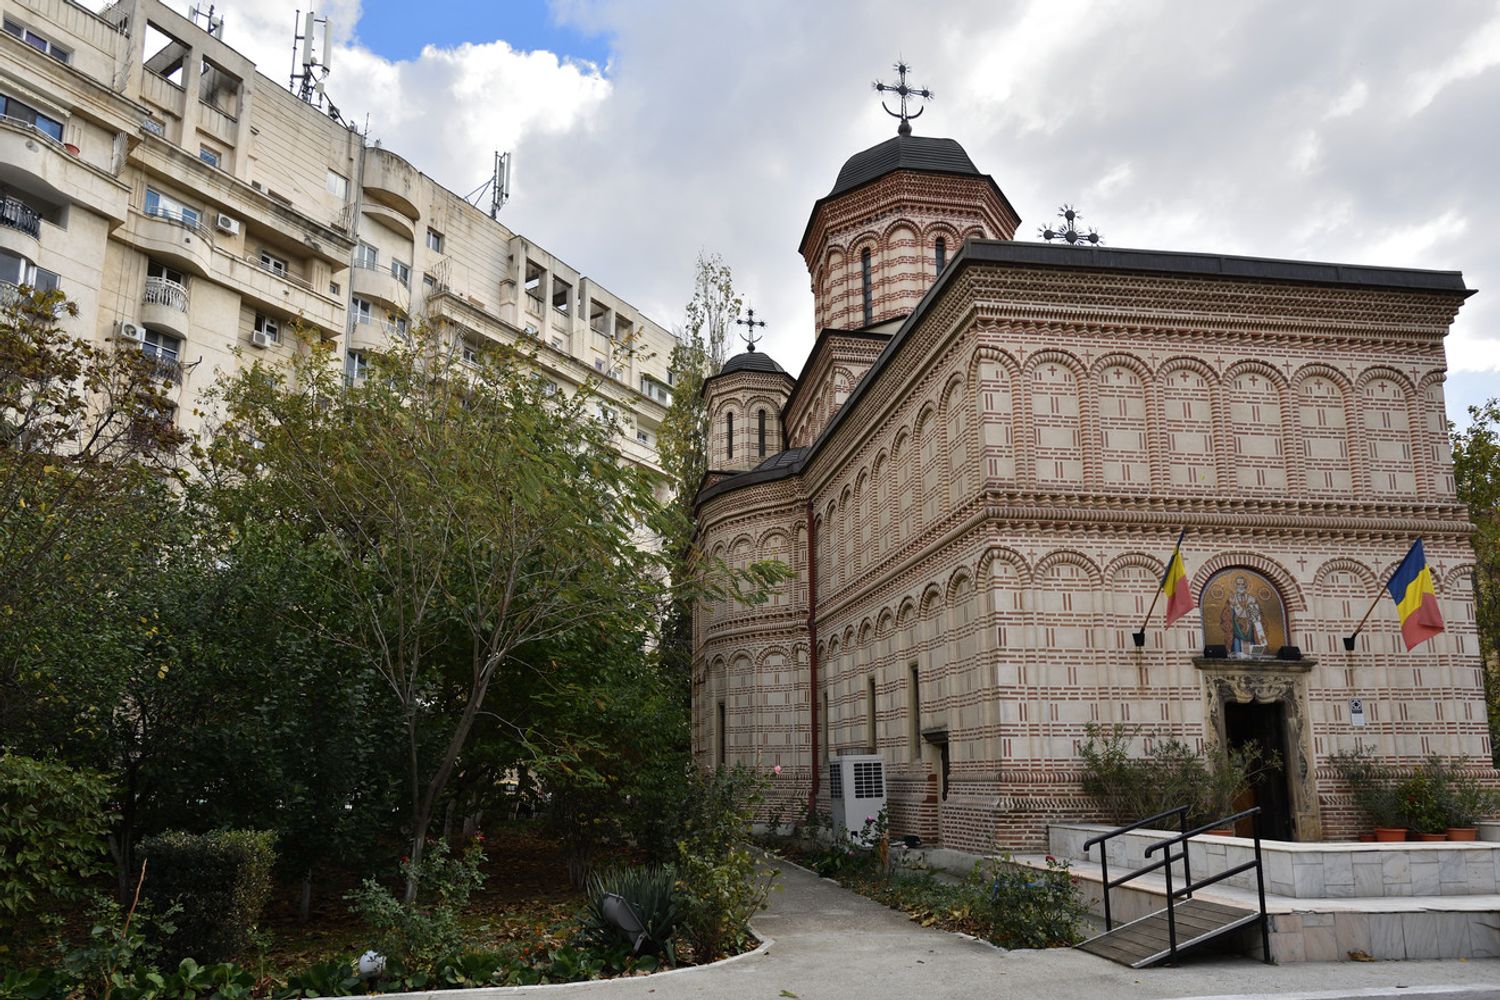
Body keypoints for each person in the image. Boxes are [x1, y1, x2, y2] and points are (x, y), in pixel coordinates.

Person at [1220, 574, 1268, 655]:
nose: (1241, 586)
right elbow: (1225, 616)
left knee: (1253, 643)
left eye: (1242, 584)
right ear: (1235, 586)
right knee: (1236, 643)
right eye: (1238, 584)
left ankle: (1254, 656)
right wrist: (1231, 608)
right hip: (1237, 628)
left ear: (1246, 585)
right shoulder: (1232, 599)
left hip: (1250, 628)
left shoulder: (1252, 599)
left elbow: (1259, 617)